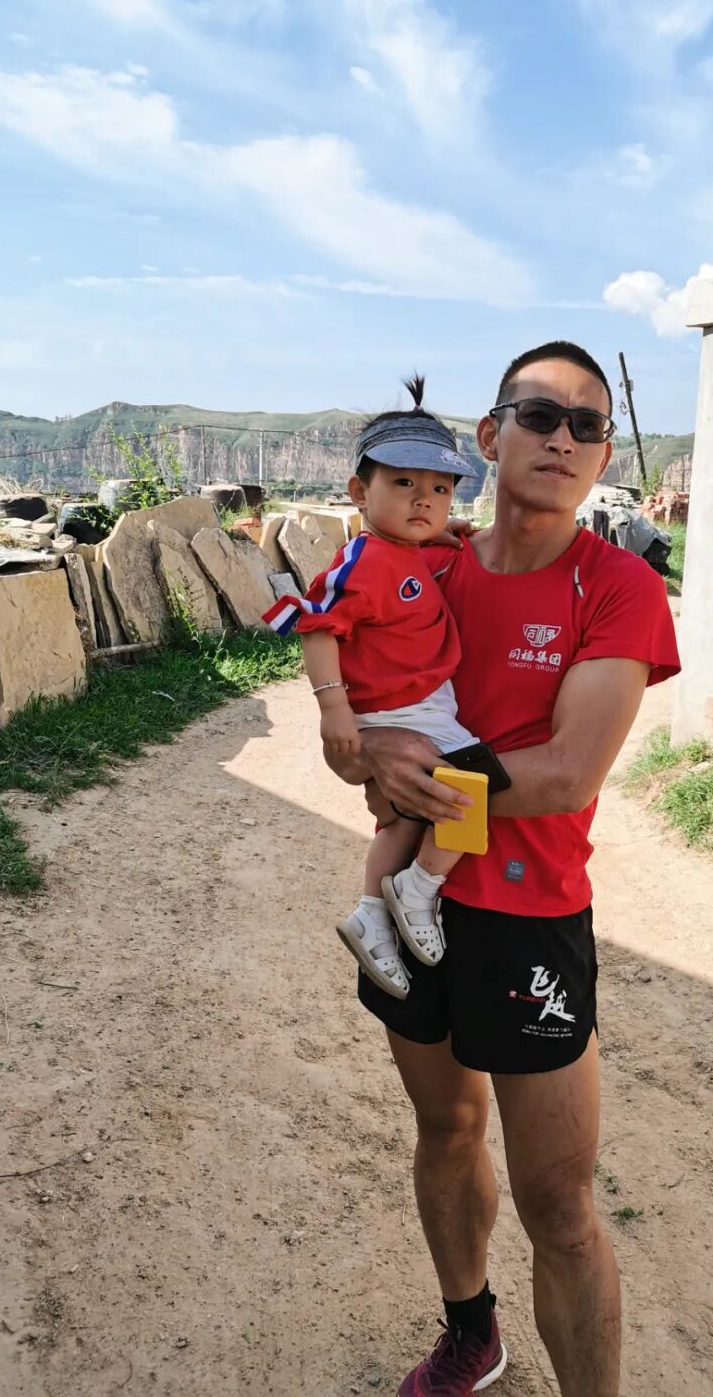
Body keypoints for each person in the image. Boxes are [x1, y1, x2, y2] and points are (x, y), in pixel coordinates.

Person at [325, 341, 681, 1397]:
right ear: (490, 435)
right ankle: (470, 1331)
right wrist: (360, 745)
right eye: (539, 415)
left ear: (604, 452)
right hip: (413, 906)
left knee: (561, 1208)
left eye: (588, 424)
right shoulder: (427, 563)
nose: (563, 439)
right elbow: (353, 717)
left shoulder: (618, 585)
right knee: (444, 1130)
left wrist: (411, 771)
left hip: (531, 917)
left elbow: (566, 774)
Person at [262, 378, 486, 1001]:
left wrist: (438, 532)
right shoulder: (363, 561)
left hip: (421, 704)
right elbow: (317, 625)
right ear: (361, 492)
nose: (424, 500)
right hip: (403, 710)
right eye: (404, 483)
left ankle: (371, 913)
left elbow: (416, 550)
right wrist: (333, 707)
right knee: (474, 792)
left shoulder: (405, 550)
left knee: (404, 819)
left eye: (439, 489)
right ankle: (419, 887)